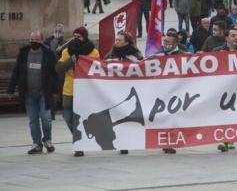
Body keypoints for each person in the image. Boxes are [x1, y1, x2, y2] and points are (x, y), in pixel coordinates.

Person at [8, 32, 59, 155]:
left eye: (37, 39)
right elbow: (16, 71)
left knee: (46, 118)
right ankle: (36, 143)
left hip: (44, 92)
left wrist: (56, 91)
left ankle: (47, 140)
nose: (34, 41)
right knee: (33, 120)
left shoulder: (49, 54)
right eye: (32, 39)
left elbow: (55, 73)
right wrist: (11, 89)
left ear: (42, 40)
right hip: (28, 93)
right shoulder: (23, 53)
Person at [55, 27, 100, 157]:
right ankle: (78, 137)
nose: (76, 38)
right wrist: (71, 60)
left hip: (86, 91)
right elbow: (58, 68)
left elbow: (97, 69)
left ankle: (79, 144)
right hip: (69, 90)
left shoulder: (93, 52)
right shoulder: (67, 51)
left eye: (79, 36)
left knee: (84, 119)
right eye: (74, 36)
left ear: (85, 38)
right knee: (68, 118)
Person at [103, 31, 142, 155]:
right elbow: (102, 65)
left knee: (127, 117)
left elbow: (142, 65)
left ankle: (127, 141)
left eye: (119, 40)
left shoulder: (135, 54)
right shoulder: (111, 53)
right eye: (116, 40)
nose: (116, 42)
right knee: (116, 117)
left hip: (130, 91)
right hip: (114, 91)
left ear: (127, 42)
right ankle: (121, 142)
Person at [214, 28, 237, 152]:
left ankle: (230, 138)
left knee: (233, 114)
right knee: (223, 113)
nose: (236, 38)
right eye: (233, 35)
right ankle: (223, 139)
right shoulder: (217, 52)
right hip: (222, 89)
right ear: (226, 38)